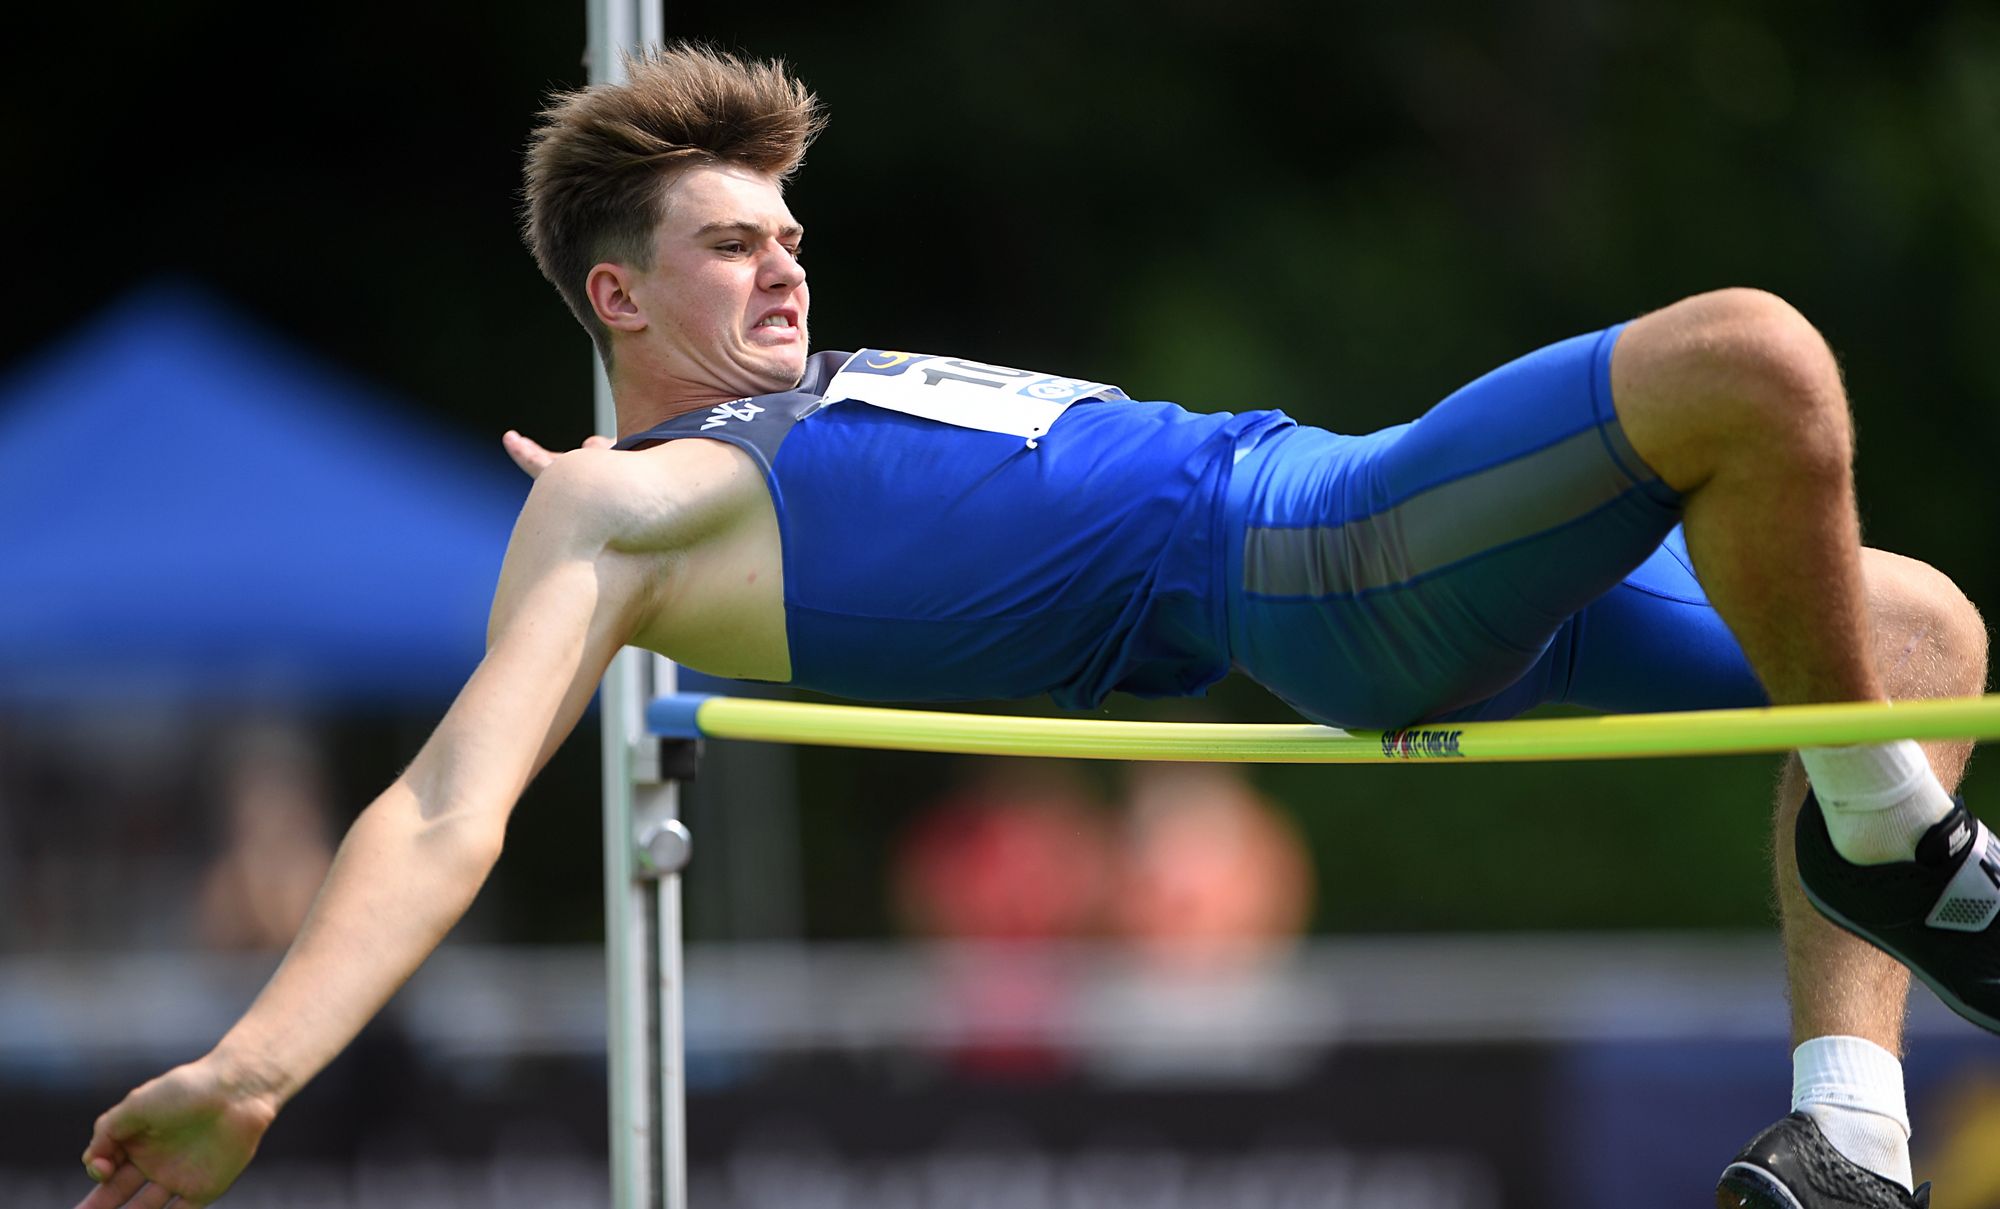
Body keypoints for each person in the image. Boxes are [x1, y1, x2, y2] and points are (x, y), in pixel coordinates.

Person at [76, 44, 1991, 1209]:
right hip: (1325, 563)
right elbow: (446, 804)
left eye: (790, 233)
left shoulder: (821, 399)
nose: (786, 265)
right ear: (617, 297)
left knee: (1907, 627)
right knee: (1754, 358)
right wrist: (257, 1067)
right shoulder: (621, 501)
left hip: (1354, 500)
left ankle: (1849, 1138)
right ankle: (1909, 850)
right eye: (732, 244)